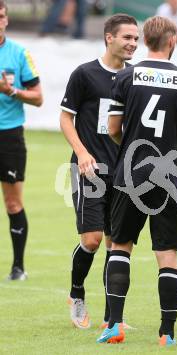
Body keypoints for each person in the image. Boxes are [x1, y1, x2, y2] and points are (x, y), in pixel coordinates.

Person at [97, 15, 177, 345]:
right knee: (167, 253)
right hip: (169, 175)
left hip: (130, 172)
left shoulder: (126, 77)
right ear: (172, 42)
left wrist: (128, 147)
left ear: (144, 41)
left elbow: (112, 128)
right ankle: (166, 333)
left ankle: (114, 324)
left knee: (120, 245)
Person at [59, 13, 139, 329]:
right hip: (90, 169)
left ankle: (112, 319)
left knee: (115, 243)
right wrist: (81, 153)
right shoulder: (85, 74)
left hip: (122, 174)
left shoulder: (136, 77)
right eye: (127, 37)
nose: (133, 43)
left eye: (136, 38)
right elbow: (66, 118)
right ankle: (76, 295)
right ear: (109, 37)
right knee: (92, 240)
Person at [0, 0, 43, 281]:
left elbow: (38, 97)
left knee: (13, 203)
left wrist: (11, 90)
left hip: (9, 135)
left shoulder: (19, 53)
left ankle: (18, 267)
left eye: (1, 16)